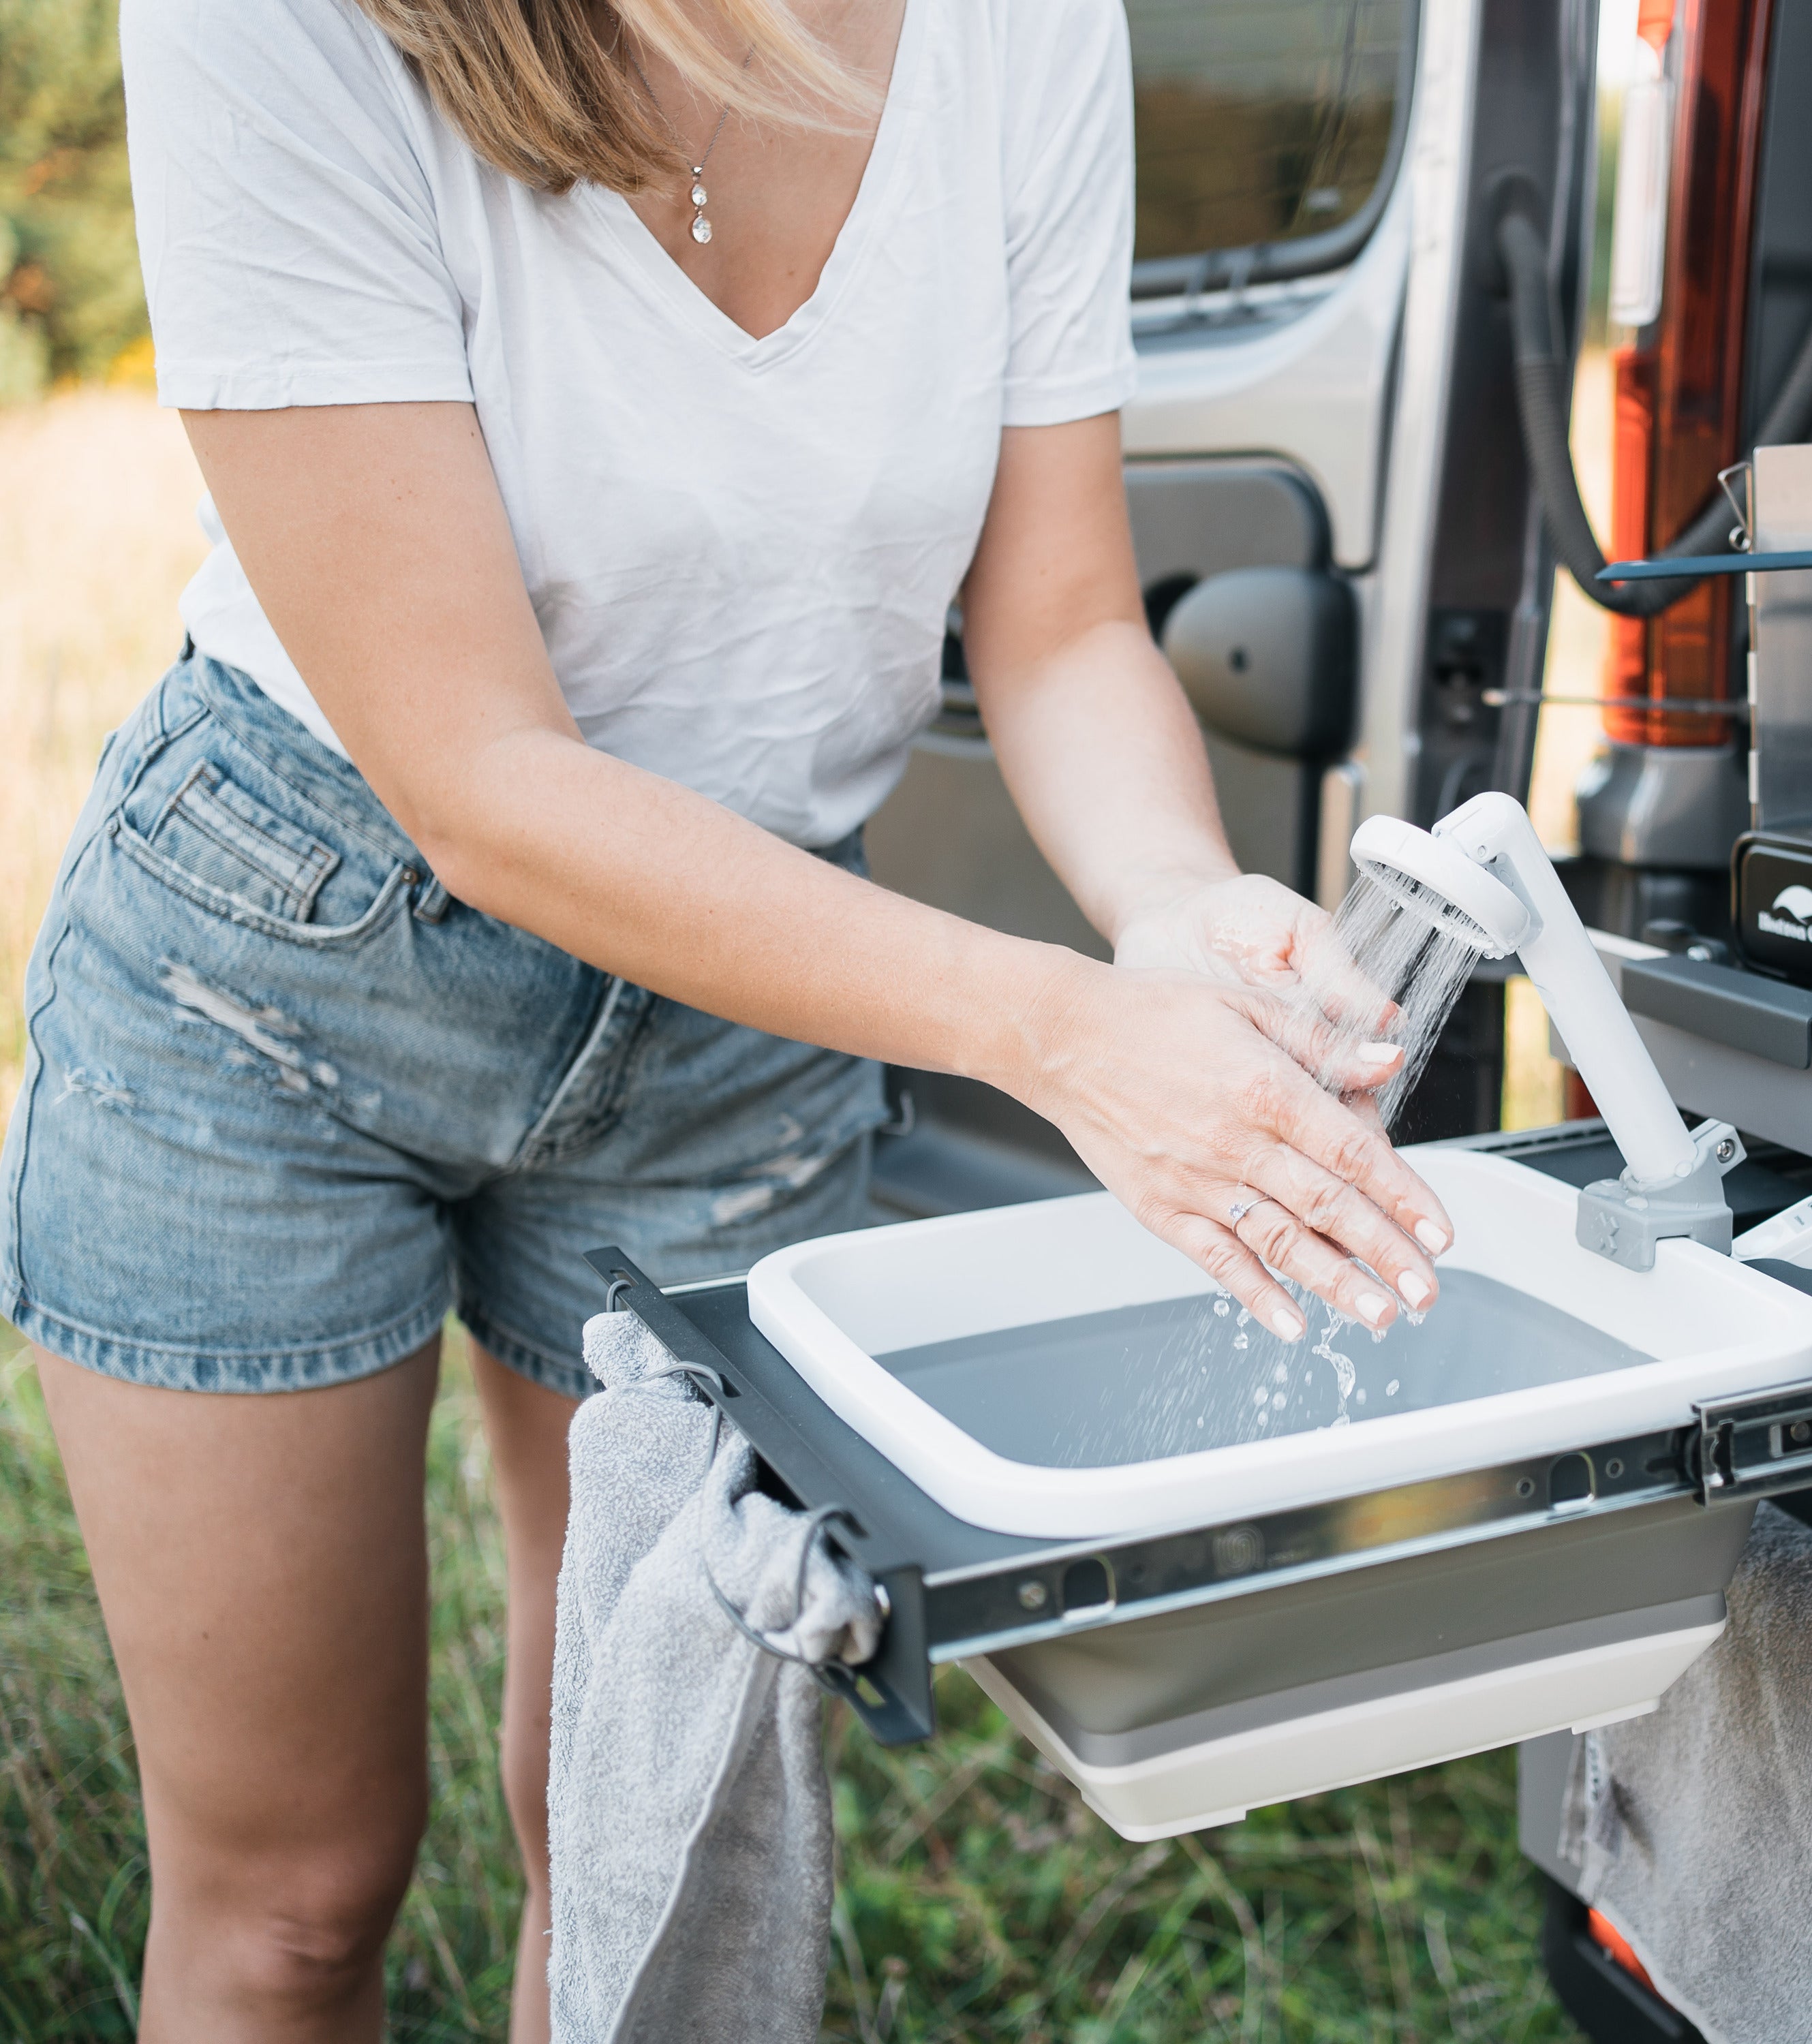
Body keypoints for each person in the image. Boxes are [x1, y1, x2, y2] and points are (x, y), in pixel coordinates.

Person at [0, 0, 1452, 2033]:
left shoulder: (1023, 31)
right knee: (297, 1889)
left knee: (630, 1813)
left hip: (750, 1009)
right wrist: (1044, 1031)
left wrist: (1174, 908)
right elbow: (477, 777)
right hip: (283, 974)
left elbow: (1055, 620)